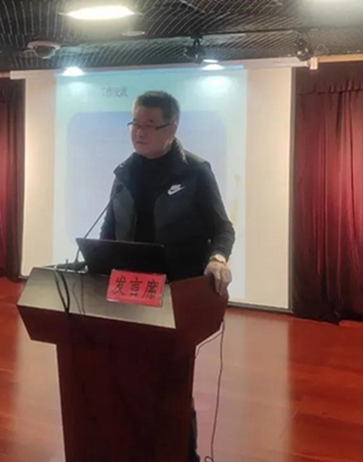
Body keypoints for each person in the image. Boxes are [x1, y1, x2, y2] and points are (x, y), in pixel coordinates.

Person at [100, 91, 235, 462]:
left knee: (173, 384)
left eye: (149, 125)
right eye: (135, 123)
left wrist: (218, 258)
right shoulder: (123, 173)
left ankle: (182, 454)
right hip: (126, 295)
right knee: (128, 378)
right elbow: (109, 231)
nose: (139, 132)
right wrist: (95, 262)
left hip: (175, 294)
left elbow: (222, 228)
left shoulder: (195, 171)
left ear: (171, 128)